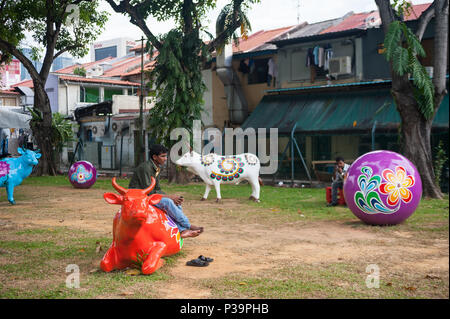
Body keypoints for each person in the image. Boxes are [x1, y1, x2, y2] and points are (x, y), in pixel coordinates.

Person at [128, 144, 203, 238]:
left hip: (148, 196)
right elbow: (148, 192)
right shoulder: (145, 168)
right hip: (139, 198)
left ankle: (182, 230)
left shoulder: (156, 167)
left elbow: (157, 189)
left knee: (175, 202)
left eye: (166, 156)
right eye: (162, 156)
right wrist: (169, 197)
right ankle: (188, 226)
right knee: (167, 201)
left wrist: (172, 197)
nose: (165, 158)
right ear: (154, 157)